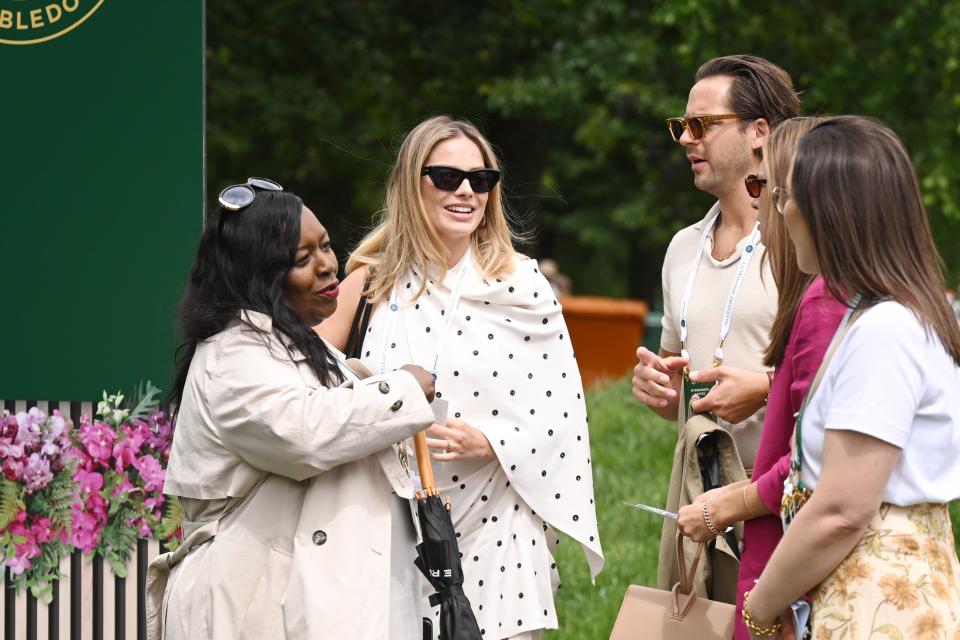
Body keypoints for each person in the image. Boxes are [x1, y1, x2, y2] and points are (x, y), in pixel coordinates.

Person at [318, 116, 603, 640]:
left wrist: (495, 442)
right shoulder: (372, 279)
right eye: (447, 177)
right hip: (391, 520)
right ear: (411, 182)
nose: (467, 190)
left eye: (482, 179)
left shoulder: (522, 283)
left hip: (499, 521)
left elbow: (562, 412)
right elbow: (304, 372)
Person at [150, 179, 438, 640]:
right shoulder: (233, 355)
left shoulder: (290, 345)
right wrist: (401, 388)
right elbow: (305, 432)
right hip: (243, 606)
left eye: (325, 246)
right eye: (302, 259)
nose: (327, 266)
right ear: (258, 275)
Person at [741, 116, 960, 638]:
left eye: (786, 196)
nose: (781, 211)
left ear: (828, 212)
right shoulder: (890, 316)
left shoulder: (885, 329)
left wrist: (761, 607)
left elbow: (841, 508)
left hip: (877, 604)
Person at [632, 54, 800, 599]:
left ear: (759, 133)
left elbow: (841, 374)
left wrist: (767, 390)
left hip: (791, 504)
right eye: (682, 125)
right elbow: (681, 390)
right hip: (705, 505)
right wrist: (661, 389)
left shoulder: (804, 243)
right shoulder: (682, 248)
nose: (685, 138)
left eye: (702, 125)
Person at [676, 117, 849, 640]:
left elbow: (819, 467)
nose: (762, 208)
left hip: (795, 559)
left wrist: (761, 605)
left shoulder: (823, 301)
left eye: (769, 191)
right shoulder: (837, 298)